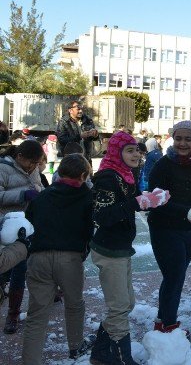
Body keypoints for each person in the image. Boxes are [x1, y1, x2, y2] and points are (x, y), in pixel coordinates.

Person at [88, 131, 170, 365]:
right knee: (119, 307)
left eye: (137, 149)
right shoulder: (107, 178)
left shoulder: (126, 174)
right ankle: (123, 359)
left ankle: (100, 353)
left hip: (122, 248)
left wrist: (151, 198)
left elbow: (132, 202)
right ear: (116, 152)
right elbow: (102, 216)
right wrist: (136, 202)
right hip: (108, 249)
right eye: (129, 150)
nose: (136, 154)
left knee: (127, 304)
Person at [22, 154, 96, 364]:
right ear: (83, 175)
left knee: (36, 314)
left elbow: (30, 222)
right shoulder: (87, 197)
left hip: (38, 258)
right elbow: (91, 229)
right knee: (74, 304)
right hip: (70, 259)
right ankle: (75, 346)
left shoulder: (43, 196)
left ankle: (30, 360)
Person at [147, 121, 191, 334]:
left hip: (189, 230)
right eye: (178, 138)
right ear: (172, 139)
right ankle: (168, 325)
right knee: (175, 275)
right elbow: (155, 197)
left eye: (188, 139)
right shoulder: (163, 164)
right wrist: (183, 211)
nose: (182, 143)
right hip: (164, 227)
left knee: (175, 275)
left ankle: (163, 319)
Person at [0, 140, 45, 335]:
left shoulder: (33, 168)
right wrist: (22, 195)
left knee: (20, 268)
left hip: (25, 226)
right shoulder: (3, 168)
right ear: (19, 157)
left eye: (37, 163)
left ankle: (13, 314)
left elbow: (38, 187)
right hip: (4, 226)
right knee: (4, 268)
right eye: (31, 163)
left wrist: (41, 194)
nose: (34, 167)